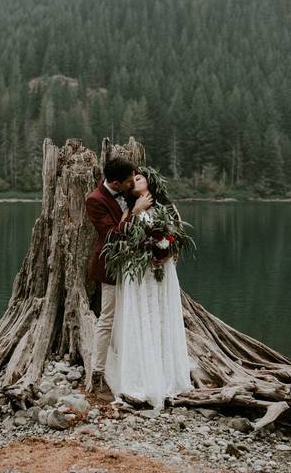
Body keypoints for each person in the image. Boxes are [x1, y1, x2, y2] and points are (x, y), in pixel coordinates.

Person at [102, 165, 193, 410]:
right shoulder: (130, 210)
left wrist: (166, 251)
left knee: (161, 316)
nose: (135, 180)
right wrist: (136, 215)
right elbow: (120, 239)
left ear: (150, 183)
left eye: (139, 177)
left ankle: (165, 373)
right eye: (133, 178)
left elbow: (177, 238)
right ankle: (141, 376)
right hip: (139, 273)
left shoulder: (166, 210)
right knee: (141, 316)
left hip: (161, 271)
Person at [85, 157, 151, 402]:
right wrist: (134, 213)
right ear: (115, 182)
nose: (132, 183)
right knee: (108, 318)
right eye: (128, 181)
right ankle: (98, 373)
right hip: (112, 266)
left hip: (140, 268)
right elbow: (111, 236)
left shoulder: (133, 190)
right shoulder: (95, 200)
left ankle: (139, 369)